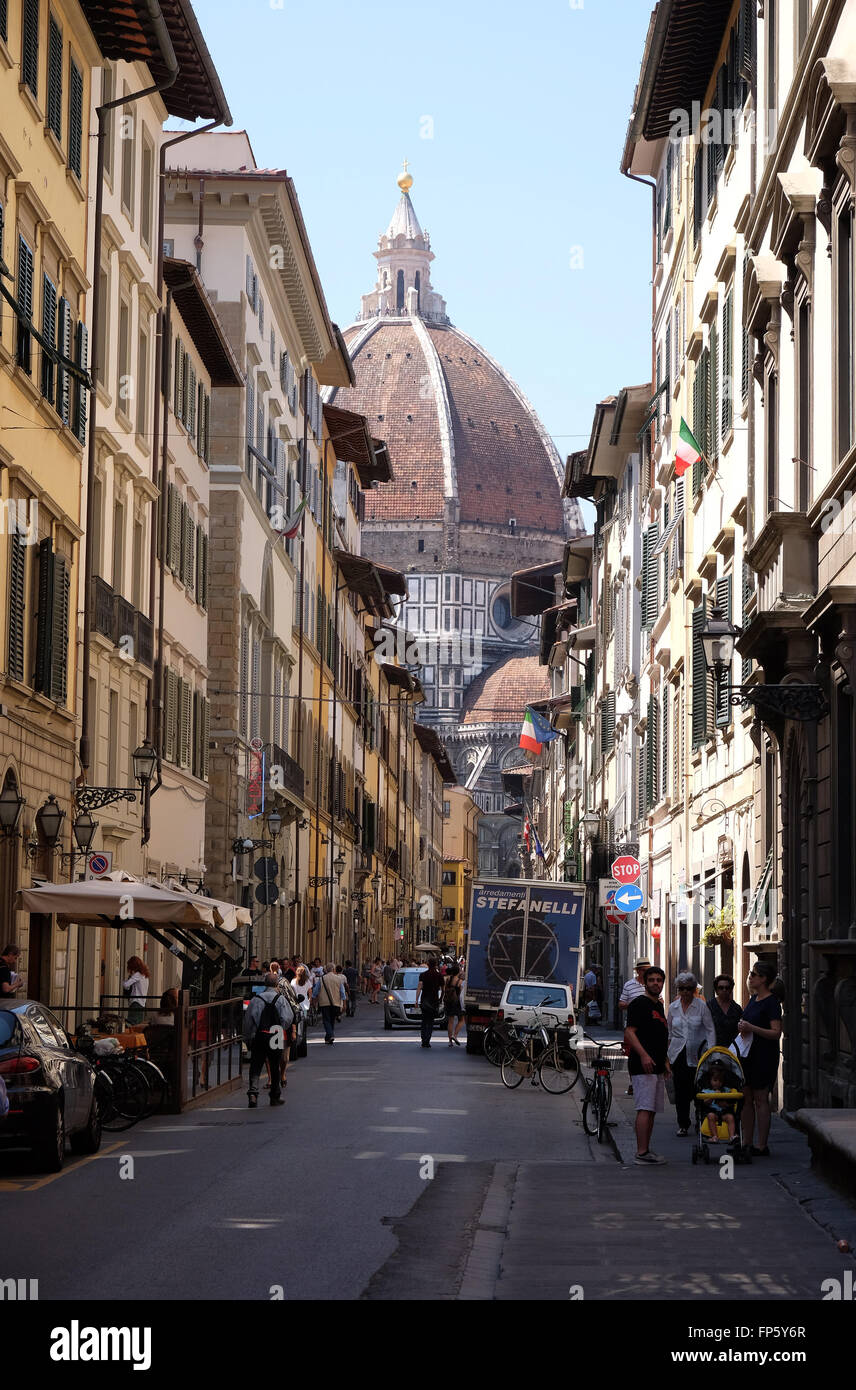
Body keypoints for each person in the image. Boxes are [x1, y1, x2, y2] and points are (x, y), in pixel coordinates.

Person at [624, 966, 670, 1165]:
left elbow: (659, 1035)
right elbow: (630, 1032)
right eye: (651, 980)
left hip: (657, 1064)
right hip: (643, 1065)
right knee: (644, 1107)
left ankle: (646, 1150)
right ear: (644, 982)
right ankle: (641, 1153)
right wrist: (643, 1055)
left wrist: (665, 1060)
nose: (656, 983)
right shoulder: (639, 1004)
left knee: (650, 1109)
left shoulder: (658, 1005)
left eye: (659, 980)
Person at [739, 960, 783, 1157]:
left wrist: (751, 1028)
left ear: (764, 979)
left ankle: (762, 1144)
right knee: (745, 1097)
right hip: (747, 1053)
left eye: (754, 974)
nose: (750, 976)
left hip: (764, 1055)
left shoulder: (771, 1002)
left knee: (760, 1098)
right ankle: (746, 1141)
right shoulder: (753, 999)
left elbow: (776, 1032)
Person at [667, 971, 716, 1137]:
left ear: (694, 989)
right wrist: (667, 1055)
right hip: (678, 1054)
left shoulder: (701, 1006)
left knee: (699, 1089)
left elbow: (710, 1030)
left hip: (698, 1054)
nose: (686, 992)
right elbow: (669, 1032)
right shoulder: (672, 1008)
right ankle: (683, 1124)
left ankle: (701, 1122)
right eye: (682, 989)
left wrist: (711, 1051)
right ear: (678, 990)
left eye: (689, 988)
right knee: (681, 1091)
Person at [244, 972, 293, 1107]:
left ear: (264, 984)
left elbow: (248, 1021)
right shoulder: (281, 999)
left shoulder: (256, 999)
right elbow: (288, 1018)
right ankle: (274, 1096)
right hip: (275, 1034)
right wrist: (280, 1027)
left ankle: (253, 1094)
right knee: (274, 1065)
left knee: (256, 1065)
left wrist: (247, 1037)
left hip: (259, 1035)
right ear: (277, 984)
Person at [618, 959, 651, 1095]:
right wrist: (634, 1004)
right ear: (638, 971)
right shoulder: (629, 985)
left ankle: (645, 1084)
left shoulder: (651, 984)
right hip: (632, 1027)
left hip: (649, 1027)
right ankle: (633, 1083)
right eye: (643, 969)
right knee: (632, 1056)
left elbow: (660, 1000)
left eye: (647, 969)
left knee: (648, 1055)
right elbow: (621, 1004)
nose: (646, 972)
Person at [699, 1062, 737, 1143]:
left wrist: (725, 1103)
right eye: (715, 1080)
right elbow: (705, 1103)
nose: (718, 1083)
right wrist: (713, 1096)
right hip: (713, 1112)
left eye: (720, 1081)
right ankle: (714, 1136)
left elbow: (731, 1102)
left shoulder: (726, 1090)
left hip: (724, 1112)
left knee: (730, 1117)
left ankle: (732, 1136)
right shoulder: (706, 1091)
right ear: (710, 1080)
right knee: (710, 1116)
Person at [415, 956, 444, 1048]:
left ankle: (423, 1040)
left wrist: (416, 1000)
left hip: (424, 1000)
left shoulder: (423, 975)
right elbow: (443, 989)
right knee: (431, 1021)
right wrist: (441, 999)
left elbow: (419, 987)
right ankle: (427, 1040)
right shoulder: (439, 975)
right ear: (436, 965)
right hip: (434, 1001)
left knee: (424, 1021)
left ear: (427, 964)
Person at [707, 974, 743, 1048]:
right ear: (716, 990)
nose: (724, 990)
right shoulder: (708, 1006)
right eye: (721, 988)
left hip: (733, 1050)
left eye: (727, 988)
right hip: (712, 1049)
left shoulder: (737, 1008)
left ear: (731, 990)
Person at [318, 963, 347, 1043]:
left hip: (324, 1003)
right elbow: (342, 992)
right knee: (332, 1020)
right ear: (333, 969)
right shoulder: (338, 979)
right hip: (336, 1003)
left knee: (326, 1020)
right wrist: (344, 1004)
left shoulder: (322, 979)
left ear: (326, 970)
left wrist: (314, 1000)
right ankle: (329, 1037)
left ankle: (330, 1035)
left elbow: (316, 991)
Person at [122, 956, 150, 1028]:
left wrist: (126, 980)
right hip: (142, 1003)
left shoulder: (137, 975)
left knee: (132, 1024)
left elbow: (126, 985)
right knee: (138, 1025)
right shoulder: (144, 975)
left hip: (135, 1002)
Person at [444, 964, 465, 1046]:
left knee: (450, 1021)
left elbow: (445, 989)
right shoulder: (460, 981)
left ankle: (450, 1041)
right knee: (461, 1020)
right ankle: (455, 1035)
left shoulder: (448, 979)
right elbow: (461, 993)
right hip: (457, 1002)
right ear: (458, 972)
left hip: (449, 1001)